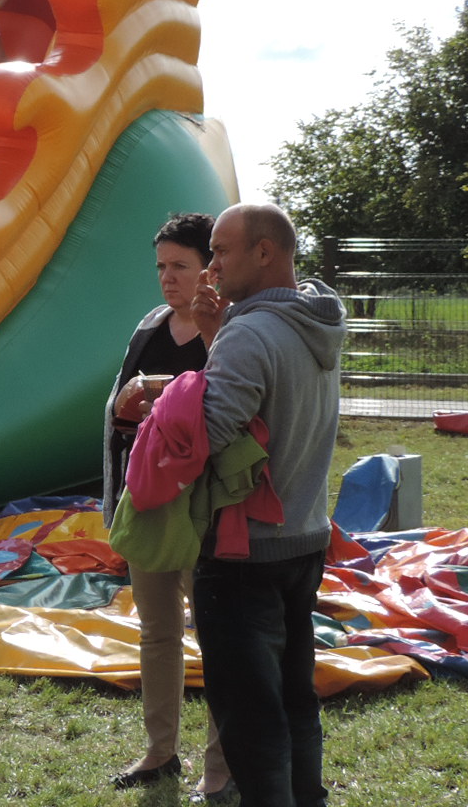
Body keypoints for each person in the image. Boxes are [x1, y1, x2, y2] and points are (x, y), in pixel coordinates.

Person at [189, 204, 345, 807]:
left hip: (242, 554)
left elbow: (206, 436)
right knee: (294, 700)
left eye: (222, 250)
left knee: (253, 723)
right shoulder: (314, 322)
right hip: (303, 540)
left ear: (264, 252)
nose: (212, 265)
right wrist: (215, 337)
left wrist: (158, 408)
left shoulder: (251, 333)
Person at [101, 213, 231, 797]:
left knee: (218, 640)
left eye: (180, 265)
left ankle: (220, 769)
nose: (167, 278)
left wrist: (156, 391)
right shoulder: (150, 325)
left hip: (206, 512)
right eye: (161, 266)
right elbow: (115, 417)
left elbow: (228, 407)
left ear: (211, 268)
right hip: (149, 503)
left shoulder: (229, 328)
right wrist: (116, 503)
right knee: (157, 633)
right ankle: (159, 753)